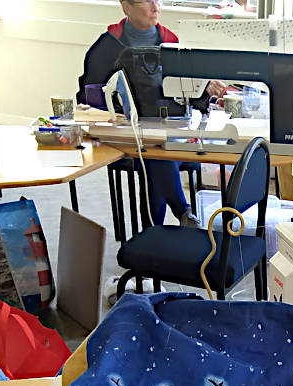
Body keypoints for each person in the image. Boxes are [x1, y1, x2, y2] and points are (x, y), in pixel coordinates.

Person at [77, 0, 225, 226]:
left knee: (156, 149)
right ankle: (182, 212)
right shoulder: (106, 48)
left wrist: (205, 87)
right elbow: (88, 96)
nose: (156, 8)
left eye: (158, 1)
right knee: (154, 149)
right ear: (126, 6)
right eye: (148, 2)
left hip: (171, 130)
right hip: (125, 135)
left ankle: (154, 232)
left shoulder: (172, 42)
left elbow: (193, 95)